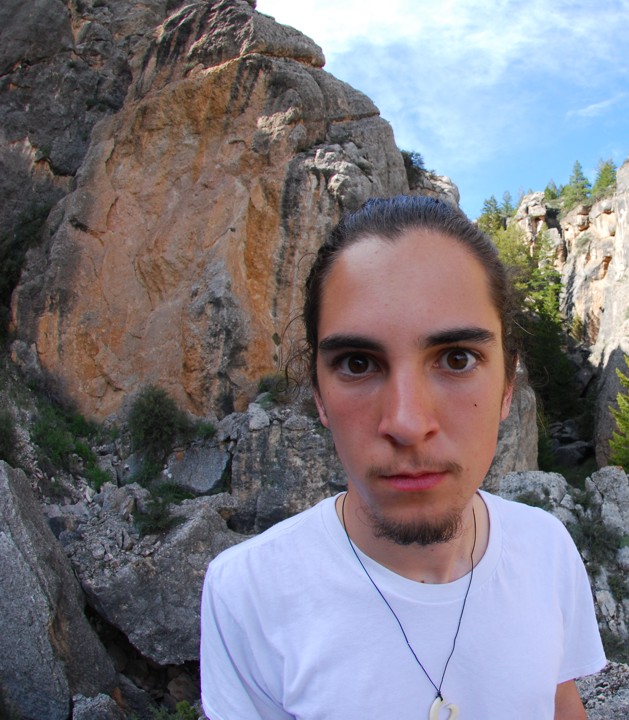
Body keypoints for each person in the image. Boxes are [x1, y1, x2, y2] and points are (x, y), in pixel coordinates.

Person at [199, 196, 606, 719]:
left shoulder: (546, 549)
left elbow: (560, 704)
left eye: (457, 359)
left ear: (508, 385)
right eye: (358, 363)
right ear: (319, 395)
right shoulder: (246, 594)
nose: (408, 423)